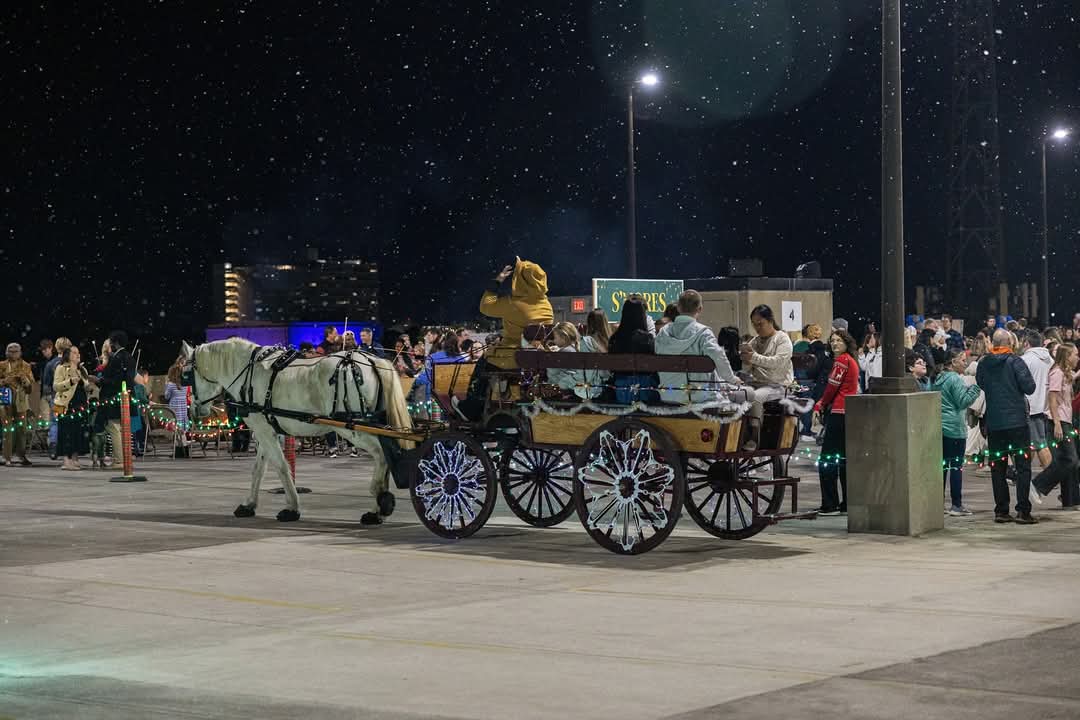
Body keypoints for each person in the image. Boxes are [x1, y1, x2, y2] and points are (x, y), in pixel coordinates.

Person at [455, 257, 553, 420]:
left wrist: (498, 280)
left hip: (512, 356)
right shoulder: (546, 305)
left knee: (483, 365)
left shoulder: (513, 303)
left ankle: (471, 408)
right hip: (535, 358)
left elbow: (485, 306)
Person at [976, 329, 1038, 524]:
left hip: (995, 423)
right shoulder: (1015, 361)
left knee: (997, 468)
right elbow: (1029, 387)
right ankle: (1023, 511)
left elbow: (982, 383)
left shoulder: (984, 363)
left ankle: (1001, 511)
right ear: (1009, 343)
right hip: (1017, 422)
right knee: (1023, 467)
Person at [654, 290, 740, 405]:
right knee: (746, 393)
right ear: (700, 309)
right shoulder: (704, 333)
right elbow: (719, 357)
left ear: (678, 308)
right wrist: (733, 379)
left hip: (668, 395)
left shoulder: (663, 333)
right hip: (698, 397)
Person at [812, 329, 860, 515]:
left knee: (827, 460)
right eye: (832, 341)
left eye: (839, 340)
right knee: (844, 461)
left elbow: (832, 388)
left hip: (839, 414)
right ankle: (847, 503)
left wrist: (820, 404)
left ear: (846, 343)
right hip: (849, 413)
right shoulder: (852, 360)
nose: (834, 344)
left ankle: (830, 504)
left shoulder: (841, 361)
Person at [933, 349, 981, 516]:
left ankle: (937, 504)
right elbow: (962, 402)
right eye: (962, 360)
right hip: (954, 428)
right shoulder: (954, 379)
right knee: (956, 467)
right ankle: (956, 505)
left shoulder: (940, 378)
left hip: (941, 427)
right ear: (953, 362)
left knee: (943, 467)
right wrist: (976, 388)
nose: (965, 363)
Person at [1032, 343, 1080, 509]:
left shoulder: (1064, 373)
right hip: (1057, 421)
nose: (1077, 358)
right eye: (1075, 355)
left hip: (1065, 420)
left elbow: (1070, 379)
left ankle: (1071, 500)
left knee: (1070, 461)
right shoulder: (1057, 373)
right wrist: (1057, 424)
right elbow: (1052, 400)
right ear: (1067, 357)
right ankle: (1038, 484)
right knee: (1070, 459)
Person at [740, 305, 794, 450]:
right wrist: (745, 361)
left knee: (756, 397)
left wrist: (753, 357)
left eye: (760, 324)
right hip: (756, 383)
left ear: (770, 321)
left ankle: (755, 438)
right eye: (754, 324)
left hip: (778, 386)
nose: (757, 328)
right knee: (736, 394)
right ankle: (739, 434)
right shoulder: (754, 341)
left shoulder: (782, 338)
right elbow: (747, 369)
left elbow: (777, 363)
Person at [608, 297, 658, 404]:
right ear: (642, 315)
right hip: (646, 389)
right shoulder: (647, 338)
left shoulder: (615, 339)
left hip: (621, 390)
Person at [98, 331, 137, 468]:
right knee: (122, 429)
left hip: (114, 398)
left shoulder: (117, 358)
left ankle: (120, 460)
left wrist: (100, 381)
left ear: (116, 342)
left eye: (112, 342)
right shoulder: (130, 357)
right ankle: (124, 458)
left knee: (113, 427)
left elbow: (114, 380)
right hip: (127, 397)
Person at [53, 345, 92, 470]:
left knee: (78, 432)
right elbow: (56, 386)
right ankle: (66, 460)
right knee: (66, 432)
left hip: (80, 404)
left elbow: (86, 386)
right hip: (65, 404)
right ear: (68, 355)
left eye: (78, 352)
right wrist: (70, 382)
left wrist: (87, 386)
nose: (78, 354)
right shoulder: (61, 368)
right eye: (74, 352)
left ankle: (75, 458)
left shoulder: (82, 370)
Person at [1020, 329, 1053, 474]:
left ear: (1026, 343)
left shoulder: (1025, 360)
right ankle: (1022, 472)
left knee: (1040, 444)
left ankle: (1051, 476)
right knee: (1032, 443)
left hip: (1031, 407)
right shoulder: (1050, 359)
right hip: (1046, 407)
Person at [0, 343, 35, 467]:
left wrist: (24, 380)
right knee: (7, 429)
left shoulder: (26, 366)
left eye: (16, 351)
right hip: (5, 401)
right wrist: (4, 381)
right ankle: (7, 457)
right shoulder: (2, 365)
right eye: (10, 351)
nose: (13, 353)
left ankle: (21, 455)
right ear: (6, 352)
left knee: (22, 429)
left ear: (20, 352)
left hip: (20, 401)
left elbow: (31, 387)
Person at [165, 361, 190, 458]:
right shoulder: (185, 384)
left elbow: (167, 396)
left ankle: (178, 451)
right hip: (183, 411)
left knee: (175, 432)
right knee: (182, 432)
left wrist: (166, 385)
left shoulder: (170, 385)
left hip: (174, 411)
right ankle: (185, 451)